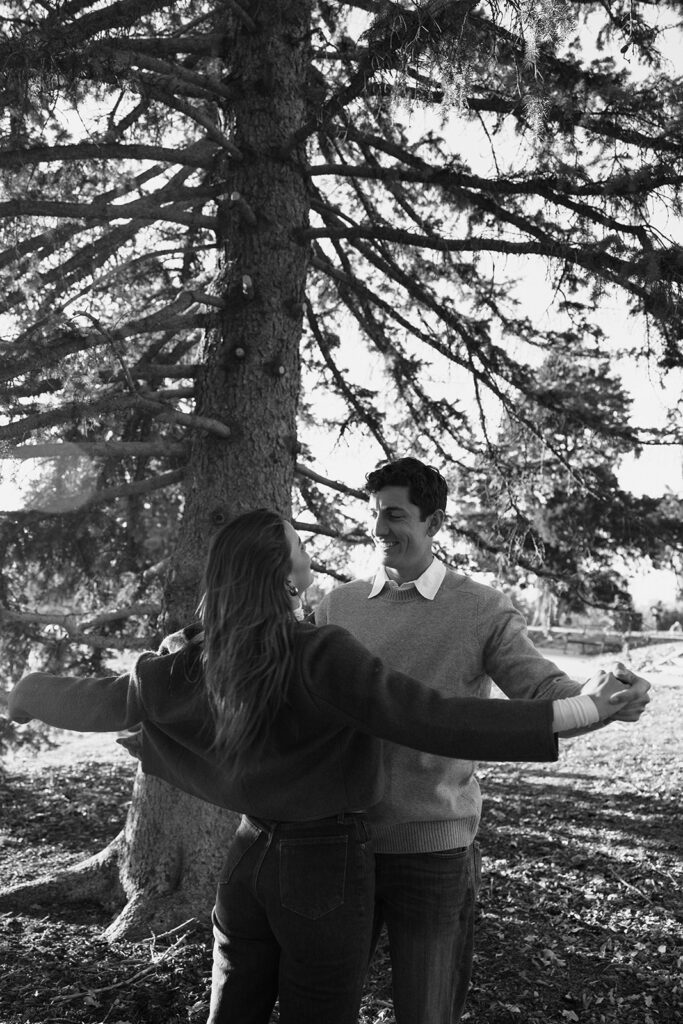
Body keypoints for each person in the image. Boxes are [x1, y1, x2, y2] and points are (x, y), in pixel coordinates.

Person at [9, 510, 640, 1024]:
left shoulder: (192, 662)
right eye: (298, 547)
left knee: (232, 1012)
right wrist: (586, 710)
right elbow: (436, 718)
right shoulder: (320, 653)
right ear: (284, 575)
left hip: (247, 858)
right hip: (323, 864)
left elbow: (96, 701)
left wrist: (19, 692)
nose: (309, 555)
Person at [315, 458, 651, 1024]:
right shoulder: (336, 606)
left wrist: (603, 701)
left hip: (434, 849)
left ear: (435, 523)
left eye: (394, 515)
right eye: (373, 515)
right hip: (340, 846)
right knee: (325, 1007)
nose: (378, 530)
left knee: (428, 1012)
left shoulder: (481, 608)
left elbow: (540, 686)